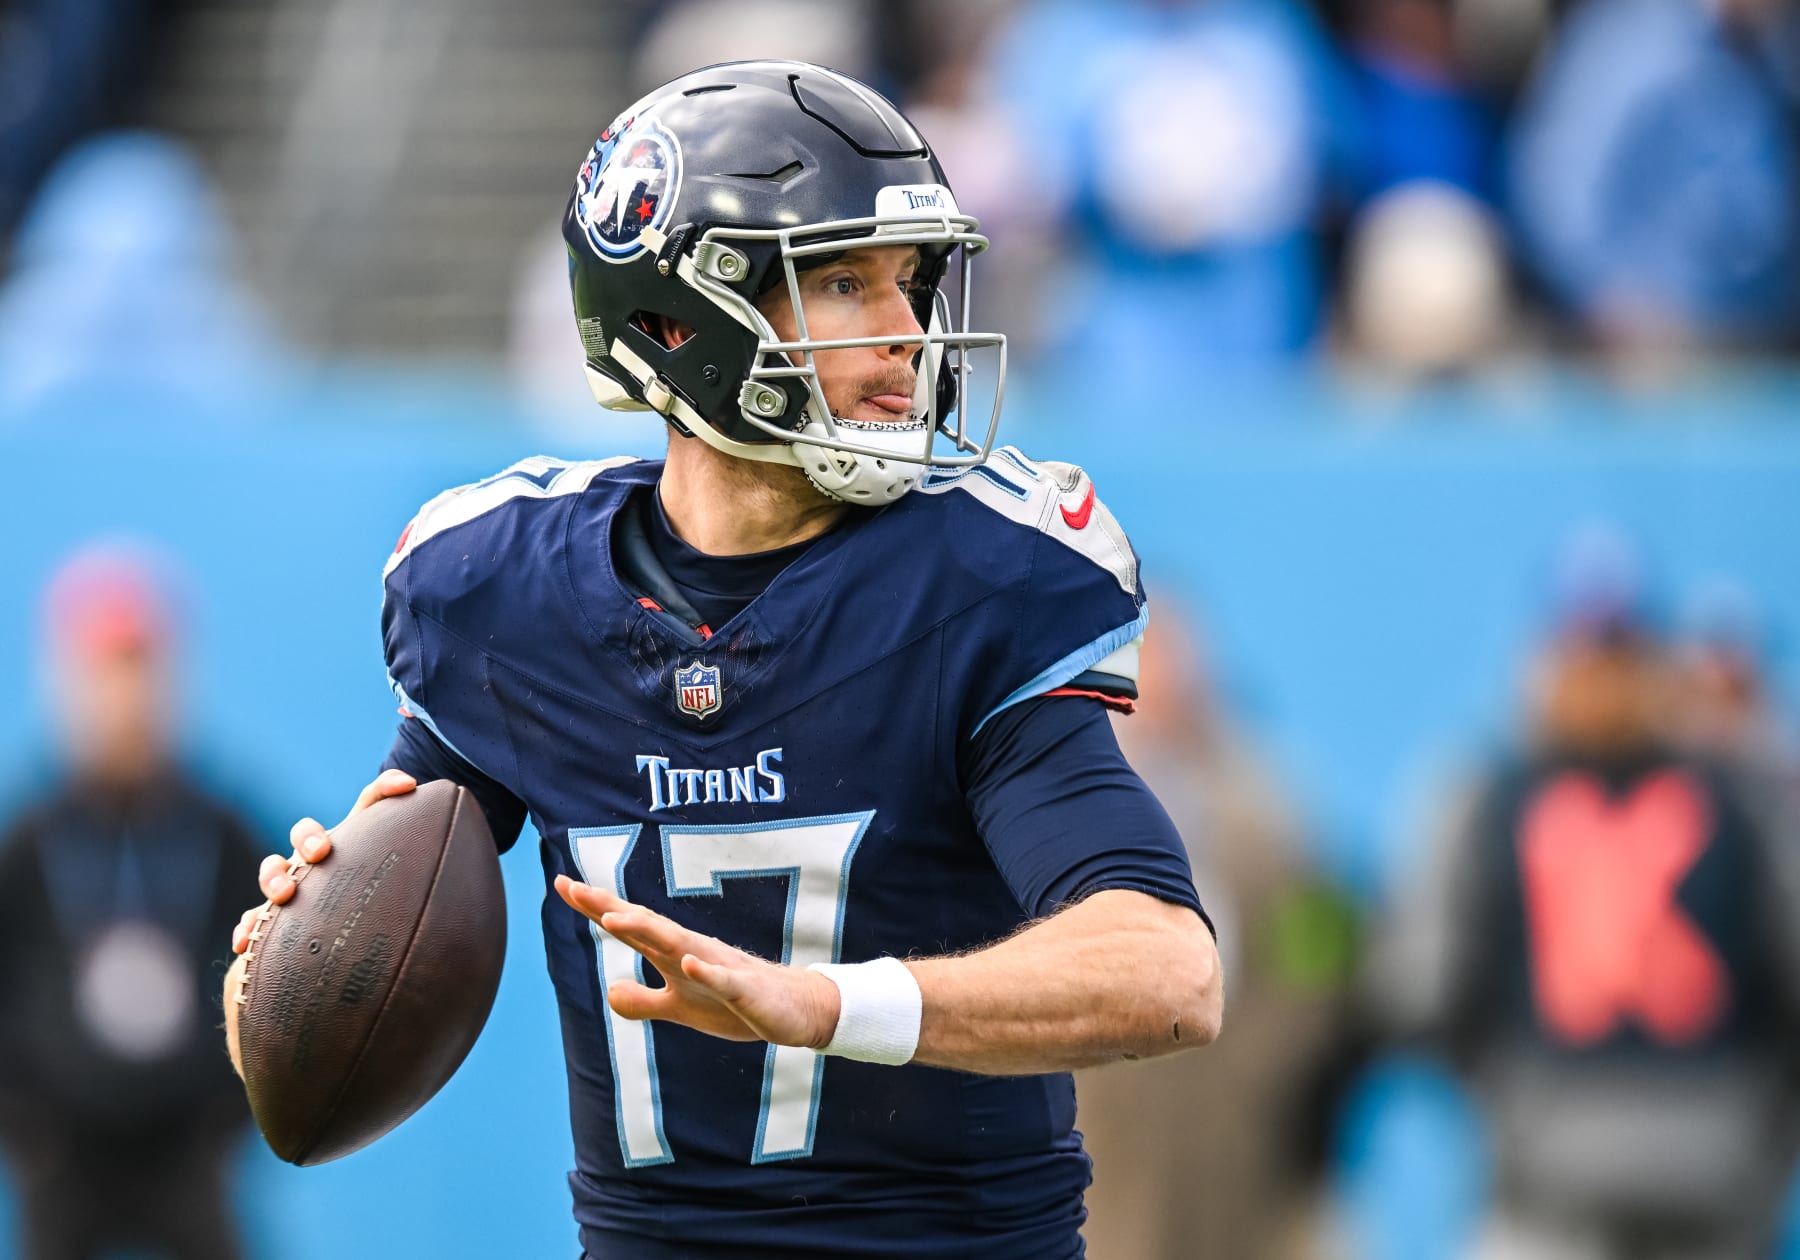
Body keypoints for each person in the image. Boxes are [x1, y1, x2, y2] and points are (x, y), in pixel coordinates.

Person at [221, 60, 1222, 1259]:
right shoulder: (507, 594)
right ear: (675, 321)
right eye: (845, 283)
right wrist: (276, 975)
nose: (908, 335)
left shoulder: (974, 580)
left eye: (912, 284)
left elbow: (1167, 970)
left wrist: (826, 1004)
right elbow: (332, 985)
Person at [1378, 532, 1800, 1260]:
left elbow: (1422, 993)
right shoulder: (1741, 794)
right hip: (1688, 1161)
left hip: (1582, 1166)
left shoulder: (1490, 795)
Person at [0, 545, 265, 1260]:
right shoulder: (29, 841)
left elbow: (274, 979)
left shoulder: (221, 834)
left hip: (185, 1154)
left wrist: (226, 1119)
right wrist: (24, 1127)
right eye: (105, 673)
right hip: (63, 1161)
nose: (125, 697)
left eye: (141, 670)